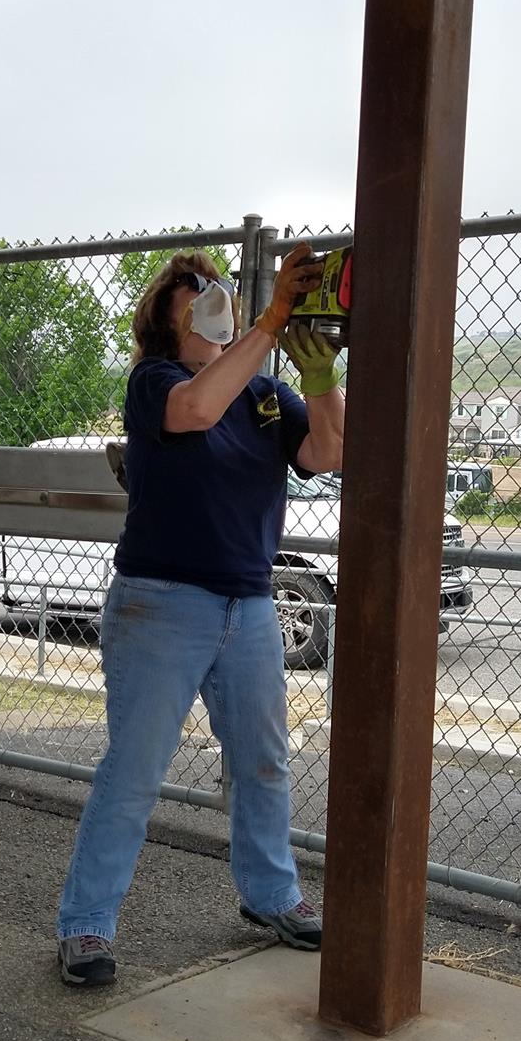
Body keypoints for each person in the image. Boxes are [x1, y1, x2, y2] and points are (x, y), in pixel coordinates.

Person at [56, 243, 345, 987]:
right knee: (136, 768)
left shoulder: (265, 394)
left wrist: (320, 379)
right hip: (160, 602)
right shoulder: (155, 382)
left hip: (249, 604)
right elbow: (198, 407)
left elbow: (327, 452)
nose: (211, 298)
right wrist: (271, 324)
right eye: (193, 293)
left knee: (263, 761)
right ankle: (86, 923)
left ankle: (272, 894)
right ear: (165, 320)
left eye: (216, 287)